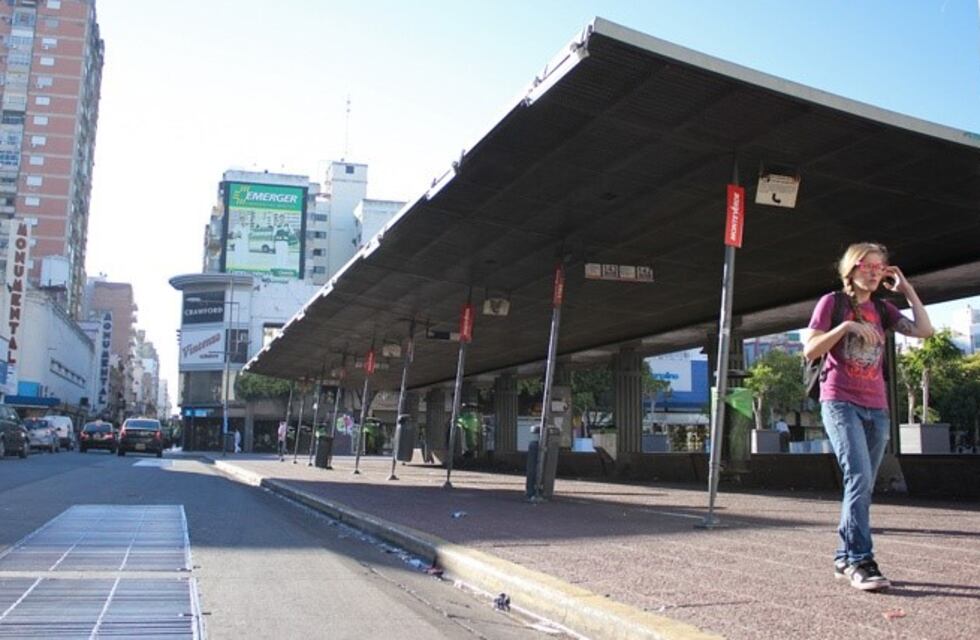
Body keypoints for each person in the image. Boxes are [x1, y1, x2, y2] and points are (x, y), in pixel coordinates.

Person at [804, 242, 932, 591]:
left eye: (881, 267)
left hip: (877, 407)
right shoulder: (833, 303)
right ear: (852, 269)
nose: (875, 271)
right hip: (840, 401)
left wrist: (907, 291)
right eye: (868, 265)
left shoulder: (884, 309)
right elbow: (810, 349)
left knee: (861, 483)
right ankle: (861, 559)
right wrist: (845, 328)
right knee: (859, 476)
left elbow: (924, 331)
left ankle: (844, 557)